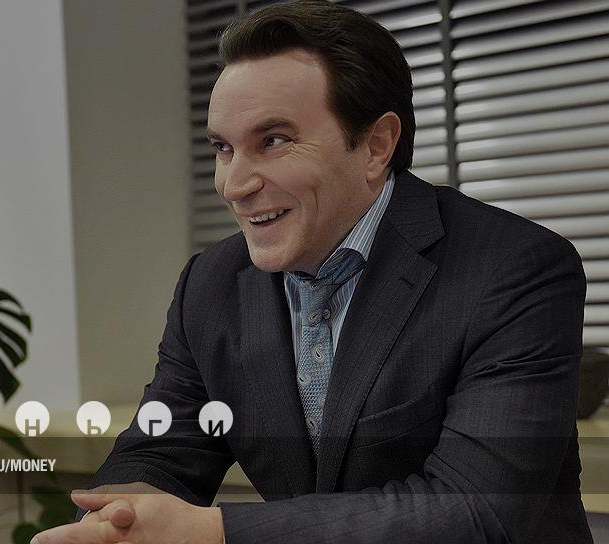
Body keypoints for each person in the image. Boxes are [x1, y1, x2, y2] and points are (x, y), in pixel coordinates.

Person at [32, 1, 591, 542]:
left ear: (376, 145)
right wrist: (115, 522)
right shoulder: (210, 283)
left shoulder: (514, 269)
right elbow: (160, 449)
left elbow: (477, 512)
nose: (233, 185)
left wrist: (213, 533)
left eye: (273, 141)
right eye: (223, 148)